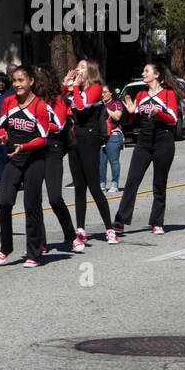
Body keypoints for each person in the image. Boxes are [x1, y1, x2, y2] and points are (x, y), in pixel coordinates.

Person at [0, 65, 51, 268]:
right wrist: (3, 135)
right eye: (15, 81)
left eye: (21, 80)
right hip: (14, 159)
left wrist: (24, 146)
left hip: (34, 159)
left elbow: (43, 138)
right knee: (5, 202)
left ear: (31, 82)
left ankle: (34, 252)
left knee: (31, 206)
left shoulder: (40, 106)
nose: (17, 84)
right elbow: (1, 124)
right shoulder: (8, 102)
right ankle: (5, 247)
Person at [114, 62, 180, 235]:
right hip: (143, 142)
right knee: (132, 181)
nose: (143, 74)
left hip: (163, 141)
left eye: (146, 71)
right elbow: (133, 117)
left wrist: (157, 112)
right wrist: (131, 112)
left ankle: (157, 222)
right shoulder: (141, 94)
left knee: (159, 184)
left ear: (156, 75)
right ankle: (121, 219)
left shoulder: (168, 94)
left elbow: (173, 119)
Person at [61, 59, 117, 249]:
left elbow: (82, 107)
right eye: (77, 66)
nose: (78, 69)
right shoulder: (76, 89)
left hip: (89, 138)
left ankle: (109, 229)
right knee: (79, 186)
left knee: (94, 186)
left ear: (91, 71)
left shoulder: (95, 88)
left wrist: (75, 88)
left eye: (82, 67)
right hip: (74, 139)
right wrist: (65, 84)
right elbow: (57, 101)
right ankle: (80, 227)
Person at [34, 66, 77, 250]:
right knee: (33, 199)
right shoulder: (29, 100)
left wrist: (35, 121)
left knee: (54, 198)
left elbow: (58, 125)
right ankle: (40, 242)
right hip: (33, 150)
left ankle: (71, 235)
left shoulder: (57, 100)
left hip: (53, 149)